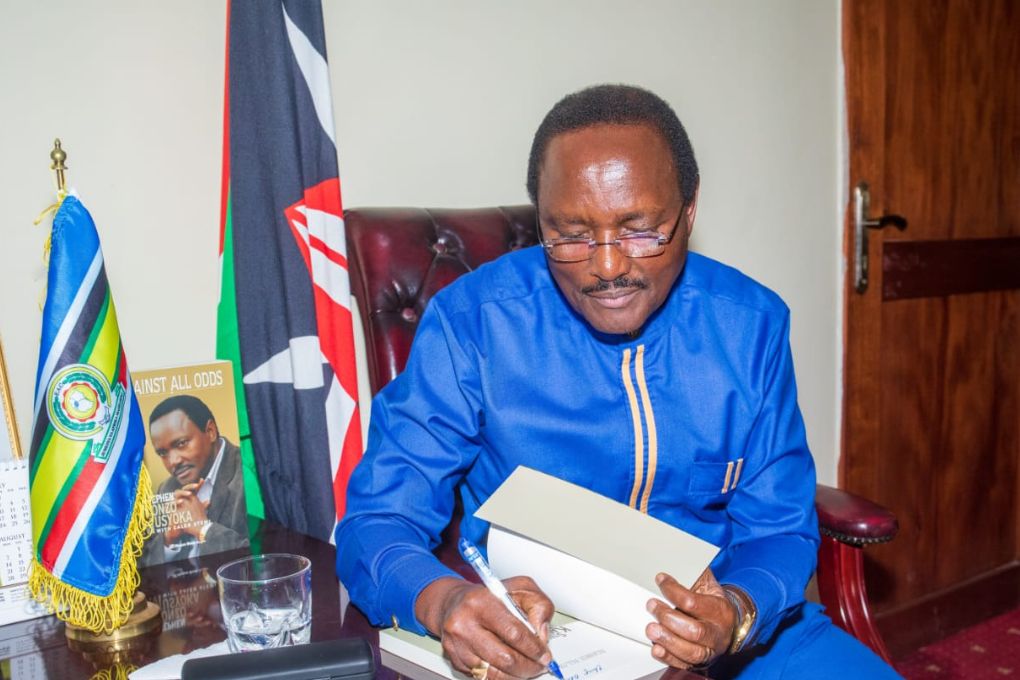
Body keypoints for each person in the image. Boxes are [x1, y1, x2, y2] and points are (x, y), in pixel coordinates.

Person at [336, 84, 900, 679]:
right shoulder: (473, 324)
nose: (607, 267)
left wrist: (736, 610)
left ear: (688, 211)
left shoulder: (749, 328)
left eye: (640, 229)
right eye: (571, 234)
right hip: (541, 637)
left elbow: (779, 529)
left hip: (737, 635)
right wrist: (444, 600)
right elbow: (378, 523)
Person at [140, 394, 248, 565]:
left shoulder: (249, 475)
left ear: (210, 432)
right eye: (162, 453)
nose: (173, 461)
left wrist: (203, 528)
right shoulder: (166, 489)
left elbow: (261, 562)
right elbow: (145, 567)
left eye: (181, 443)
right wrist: (168, 540)